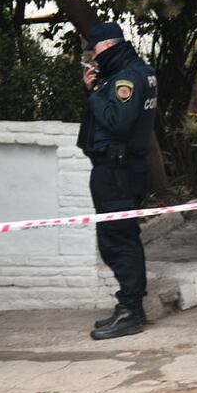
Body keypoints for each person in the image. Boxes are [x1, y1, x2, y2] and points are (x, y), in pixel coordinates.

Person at [77, 21, 158, 340]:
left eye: (95, 52)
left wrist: (94, 92)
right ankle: (131, 308)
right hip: (124, 169)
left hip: (117, 171)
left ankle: (129, 311)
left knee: (118, 239)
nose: (94, 60)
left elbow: (117, 122)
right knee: (121, 236)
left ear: (109, 46)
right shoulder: (139, 72)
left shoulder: (126, 78)